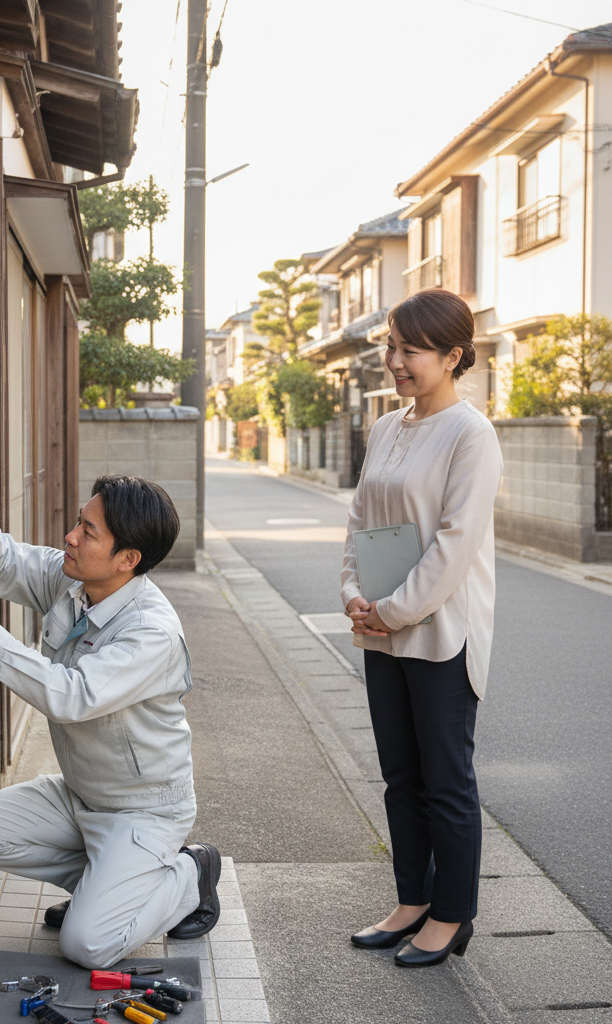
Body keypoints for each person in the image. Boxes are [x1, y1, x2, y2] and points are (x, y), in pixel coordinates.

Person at [0, 475, 220, 970]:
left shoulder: (151, 633)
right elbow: (13, 564)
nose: (71, 537)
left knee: (87, 946)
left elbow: (72, 696)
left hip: (143, 811)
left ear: (127, 558)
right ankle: (104, 887)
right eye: (78, 522)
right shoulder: (77, 581)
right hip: (81, 795)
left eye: (88, 531)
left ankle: (189, 875)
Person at [341, 288, 503, 967]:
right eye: (391, 347)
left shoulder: (472, 434)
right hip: (382, 628)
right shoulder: (386, 427)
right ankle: (411, 900)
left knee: (446, 781)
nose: (395, 361)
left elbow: (454, 545)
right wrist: (354, 594)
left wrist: (391, 609)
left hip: (440, 634)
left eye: (411, 350)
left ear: (453, 356)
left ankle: (452, 914)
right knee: (400, 776)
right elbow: (360, 521)